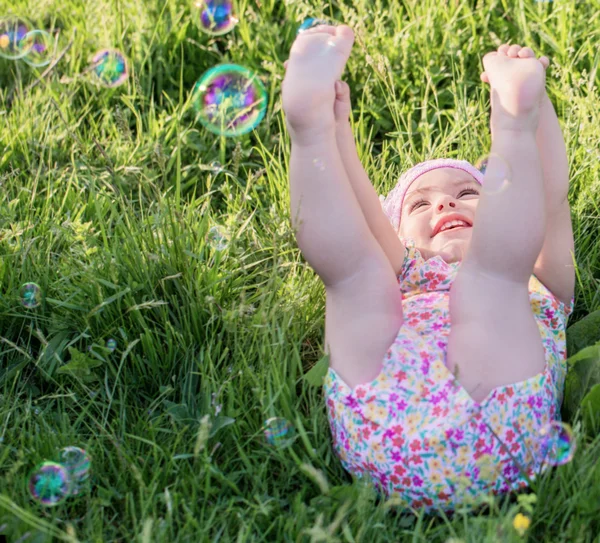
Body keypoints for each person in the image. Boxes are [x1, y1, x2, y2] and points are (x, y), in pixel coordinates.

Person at [282, 24, 576, 513]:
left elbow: (549, 199)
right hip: (410, 418)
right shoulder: (407, 273)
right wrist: (337, 130)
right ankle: (311, 134)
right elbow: (365, 214)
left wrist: (538, 106)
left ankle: (514, 122)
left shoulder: (536, 279)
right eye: (420, 205)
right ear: (399, 235)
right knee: (356, 275)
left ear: (503, 208)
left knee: (479, 280)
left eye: (468, 193)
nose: (445, 205)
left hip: (401, 429)